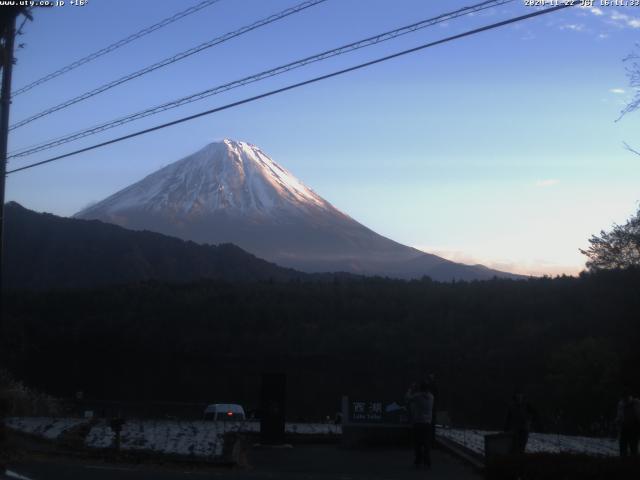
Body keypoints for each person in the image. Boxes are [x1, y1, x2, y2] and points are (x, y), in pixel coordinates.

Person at [406, 381, 434, 468]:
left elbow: (407, 398)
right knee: (426, 443)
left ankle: (418, 461)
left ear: (420, 388)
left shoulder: (417, 396)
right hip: (428, 423)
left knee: (417, 443)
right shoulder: (432, 397)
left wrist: (410, 389)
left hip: (418, 422)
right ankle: (427, 462)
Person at [504, 390, 538, 454]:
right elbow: (508, 418)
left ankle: (520, 457)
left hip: (524, 428)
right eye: (518, 396)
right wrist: (506, 428)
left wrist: (529, 420)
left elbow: (535, 414)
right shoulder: (512, 406)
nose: (519, 398)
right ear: (515, 397)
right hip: (515, 429)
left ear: (522, 397)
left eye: (520, 396)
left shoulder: (527, 405)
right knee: (515, 445)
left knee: (522, 445)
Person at [616, 390, 640, 457]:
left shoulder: (636, 403)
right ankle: (625, 462)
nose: (624, 399)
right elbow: (619, 416)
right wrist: (618, 422)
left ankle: (633, 463)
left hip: (634, 429)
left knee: (633, 448)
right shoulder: (621, 404)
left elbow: (638, 415)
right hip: (624, 429)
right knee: (623, 448)